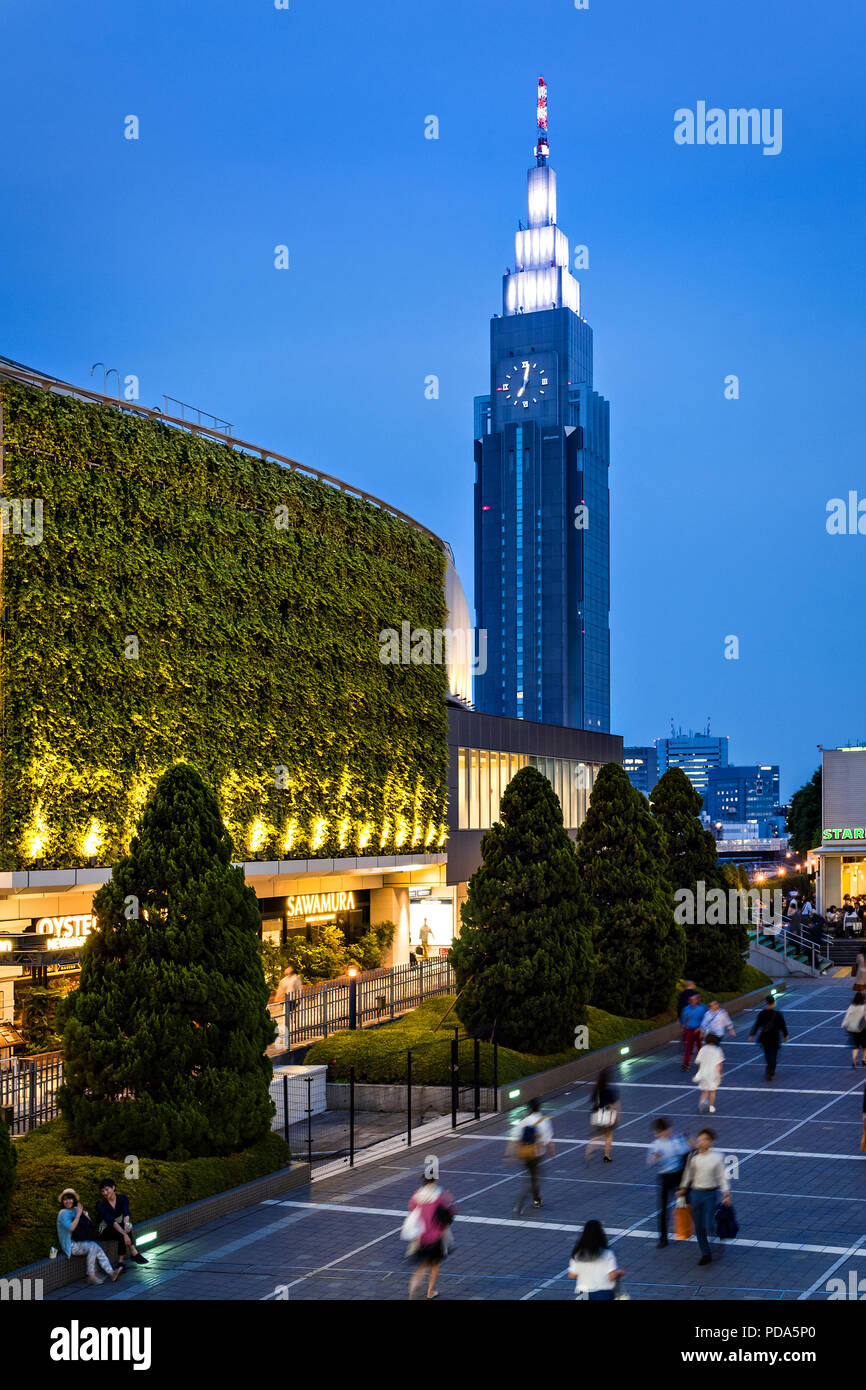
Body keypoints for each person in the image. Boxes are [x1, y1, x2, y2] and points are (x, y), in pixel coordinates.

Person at [677, 1128, 731, 1266]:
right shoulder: (694, 1157)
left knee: (709, 1224)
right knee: (699, 1226)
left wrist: (726, 1193)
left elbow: (721, 1176)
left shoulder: (717, 1157)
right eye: (699, 1139)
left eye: (705, 1139)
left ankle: (716, 1238)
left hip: (710, 1194)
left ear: (711, 1142)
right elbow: (688, 1174)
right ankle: (705, 1253)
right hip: (695, 1193)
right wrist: (683, 1188)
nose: (701, 1142)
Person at [405, 1170, 456, 1300]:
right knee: (434, 1264)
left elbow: (412, 1211)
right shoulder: (440, 1195)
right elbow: (450, 1213)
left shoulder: (416, 1196)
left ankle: (412, 1294)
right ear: (435, 1180)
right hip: (436, 1237)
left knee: (421, 1266)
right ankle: (430, 1291)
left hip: (421, 1237)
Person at [57, 1189, 124, 1286]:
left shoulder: (76, 1209)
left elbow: (89, 1224)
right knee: (93, 1246)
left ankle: (111, 1273)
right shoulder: (63, 1213)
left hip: (80, 1241)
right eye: (65, 1199)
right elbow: (71, 1228)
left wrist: (86, 1215)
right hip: (70, 1245)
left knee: (96, 1247)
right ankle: (91, 1276)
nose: (68, 1201)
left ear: (74, 1200)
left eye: (70, 1199)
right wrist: (79, 1215)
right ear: (62, 1201)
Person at [647, 1118, 693, 1249]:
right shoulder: (656, 1144)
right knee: (662, 1208)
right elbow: (649, 1163)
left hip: (679, 1175)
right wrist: (654, 1158)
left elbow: (688, 1152)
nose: (659, 1134)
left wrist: (685, 1139)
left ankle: (689, 1229)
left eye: (660, 1131)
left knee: (688, 1202)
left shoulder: (677, 1140)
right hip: (664, 1177)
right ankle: (663, 1238)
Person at [508, 1098, 555, 1211]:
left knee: (532, 1177)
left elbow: (515, 1138)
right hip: (537, 1154)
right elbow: (548, 1141)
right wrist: (551, 1152)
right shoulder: (543, 1121)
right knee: (535, 1179)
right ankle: (524, 1201)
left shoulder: (524, 1120)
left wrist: (510, 1154)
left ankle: (537, 1199)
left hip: (524, 1153)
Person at [567, 1220, 625, 1300]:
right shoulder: (607, 1253)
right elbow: (611, 1277)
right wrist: (619, 1272)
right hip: (604, 1292)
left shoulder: (579, 1254)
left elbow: (572, 1275)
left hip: (584, 1292)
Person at [96, 1179, 148, 1265]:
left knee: (126, 1227)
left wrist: (126, 1225)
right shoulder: (101, 1205)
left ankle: (121, 1261)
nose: (105, 1193)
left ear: (113, 1187)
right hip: (105, 1230)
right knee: (121, 1232)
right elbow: (111, 1221)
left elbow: (126, 1213)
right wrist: (125, 1234)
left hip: (118, 1227)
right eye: (103, 1191)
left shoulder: (123, 1198)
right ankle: (133, 1252)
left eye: (107, 1189)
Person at [748, 994, 790, 1081]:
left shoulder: (762, 1013)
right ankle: (771, 1070)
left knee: (767, 1054)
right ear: (774, 1003)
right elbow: (783, 1025)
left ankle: (769, 1069)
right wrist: (786, 1035)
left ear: (766, 1003)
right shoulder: (778, 1014)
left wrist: (752, 1034)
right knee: (774, 1055)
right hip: (775, 1038)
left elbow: (757, 1025)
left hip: (765, 1038)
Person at [585, 1068, 620, 1165]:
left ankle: (589, 1149)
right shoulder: (609, 1090)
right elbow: (613, 1104)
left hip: (596, 1114)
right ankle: (607, 1156)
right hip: (606, 1114)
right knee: (608, 1135)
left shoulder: (595, 1089)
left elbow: (592, 1102)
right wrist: (616, 1115)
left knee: (598, 1135)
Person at [693, 1033, 724, 1113]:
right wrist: (721, 1073)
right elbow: (719, 1063)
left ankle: (702, 1102)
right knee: (712, 1091)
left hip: (703, 1073)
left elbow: (698, 1061)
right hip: (713, 1073)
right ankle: (711, 1106)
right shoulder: (717, 1050)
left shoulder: (702, 1049)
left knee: (705, 1090)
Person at [681, 992, 705, 1072]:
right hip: (690, 1030)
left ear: (698, 999)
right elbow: (683, 1020)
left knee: (699, 1047)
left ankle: (702, 1062)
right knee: (688, 1047)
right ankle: (686, 1064)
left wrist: (700, 1028)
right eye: (691, 999)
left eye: (694, 999)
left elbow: (706, 1019)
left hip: (698, 1030)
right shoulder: (686, 1009)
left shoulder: (702, 1008)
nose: (692, 1000)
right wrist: (684, 1026)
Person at [842, 993, 866, 1069]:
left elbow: (847, 1016)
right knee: (865, 1046)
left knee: (855, 1046)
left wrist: (844, 1024)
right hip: (862, 1028)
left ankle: (854, 1060)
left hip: (852, 1028)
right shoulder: (864, 1007)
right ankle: (864, 1059)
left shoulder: (851, 1006)